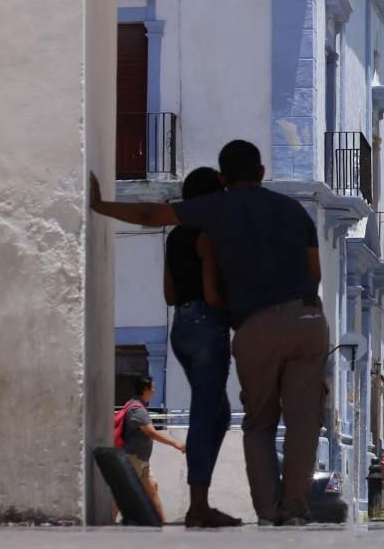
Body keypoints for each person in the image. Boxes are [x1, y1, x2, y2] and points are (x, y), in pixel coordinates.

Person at [89, 139, 327, 527]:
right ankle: (295, 509)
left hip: (254, 325)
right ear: (262, 173)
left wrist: (101, 206)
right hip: (307, 320)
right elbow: (314, 272)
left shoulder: (219, 206)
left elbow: (153, 214)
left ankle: (269, 512)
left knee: (259, 420)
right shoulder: (294, 210)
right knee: (303, 420)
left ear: (223, 177)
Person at [163, 167, 241, 528]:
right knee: (203, 416)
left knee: (219, 414)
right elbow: (211, 292)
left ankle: (201, 500)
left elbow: (169, 293)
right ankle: (199, 506)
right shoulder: (208, 236)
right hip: (207, 326)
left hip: (180, 327)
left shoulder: (175, 236)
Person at [120, 375, 186, 524]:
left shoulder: (137, 406)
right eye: (153, 388)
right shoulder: (137, 410)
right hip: (133, 459)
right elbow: (152, 433)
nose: (154, 391)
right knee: (124, 493)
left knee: (152, 488)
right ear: (145, 389)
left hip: (142, 460)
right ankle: (107, 521)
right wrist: (177, 444)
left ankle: (163, 523)